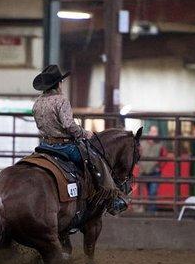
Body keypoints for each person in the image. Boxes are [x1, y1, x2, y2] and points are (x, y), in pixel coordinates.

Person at [32, 64, 128, 215]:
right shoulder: (61, 100)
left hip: (45, 145)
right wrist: (84, 133)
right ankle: (112, 199)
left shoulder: (38, 102)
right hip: (63, 146)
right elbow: (69, 125)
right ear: (59, 83)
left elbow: (39, 123)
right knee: (96, 160)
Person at [139, 125, 165, 212]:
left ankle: (151, 212)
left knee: (152, 193)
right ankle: (142, 211)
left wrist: (159, 166)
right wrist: (139, 165)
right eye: (152, 131)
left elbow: (164, 156)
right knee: (142, 193)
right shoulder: (142, 143)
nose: (154, 133)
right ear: (149, 132)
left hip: (154, 172)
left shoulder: (160, 144)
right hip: (143, 172)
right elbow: (137, 154)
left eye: (155, 131)